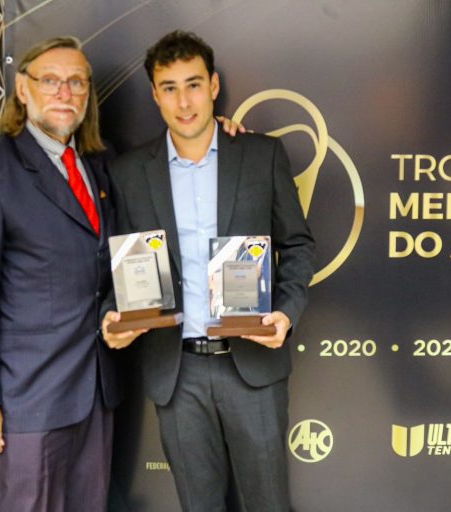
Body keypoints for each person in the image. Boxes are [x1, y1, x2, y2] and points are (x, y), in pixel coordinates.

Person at [0, 36, 244, 512]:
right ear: (22, 89)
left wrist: (219, 133)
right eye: (50, 81)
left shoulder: (101, 165)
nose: (64, 93)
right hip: (30, 396)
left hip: (98, 389)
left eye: (77, 82)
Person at [102, 30, 315, 511]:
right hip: (177, 373)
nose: (184, 102)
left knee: (268, 504)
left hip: (252, 365)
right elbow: (123, 266)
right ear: (155, 95)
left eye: (193, 85)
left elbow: (298, 244)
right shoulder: (129, 173)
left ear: (214, 86)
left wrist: (285, 313)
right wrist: (112, 317)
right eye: (170, 88)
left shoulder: (261, 156)